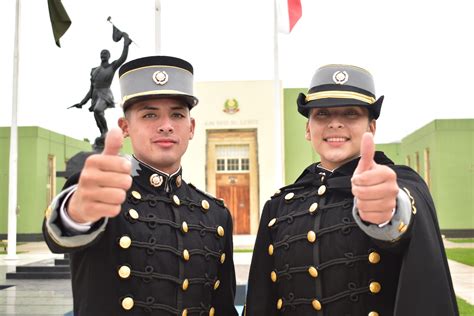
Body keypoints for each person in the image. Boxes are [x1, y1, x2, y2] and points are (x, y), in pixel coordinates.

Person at [244, 64, 458, 315]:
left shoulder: (400, 183)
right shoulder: (279, 207)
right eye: (322, 114)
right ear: (307, 129)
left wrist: (388, 212)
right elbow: (261, 300)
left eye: (351, 114)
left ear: (371, 128)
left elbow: (404, 208)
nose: (335, 123)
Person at [43, 56, 238, 316]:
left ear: (190, 128)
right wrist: (75, 213)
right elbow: (64, 230)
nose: (166, 126)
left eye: (177, 114)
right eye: (149, 115)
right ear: (125, 127)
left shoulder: (215, 215)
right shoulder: (104, 194)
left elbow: (222, 307)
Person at [70, 33, 132, 141]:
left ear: (109, 56)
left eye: (105, 53)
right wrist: (82, 103)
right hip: (95, 95)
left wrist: (126, 45)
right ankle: (103, 134)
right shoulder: (94, 70)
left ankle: (105, 132)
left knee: (98, 110)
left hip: (105, 93)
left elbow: (122, 58)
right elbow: (91, 89)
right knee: (97, 115)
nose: (103, 54)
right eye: (102, 53)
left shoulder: (111, 66)